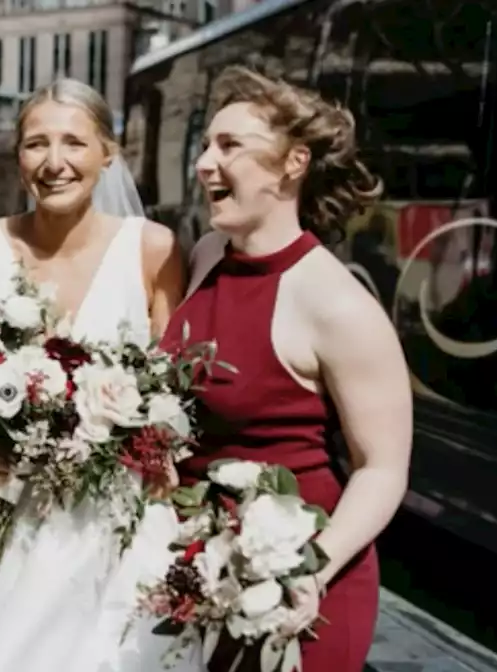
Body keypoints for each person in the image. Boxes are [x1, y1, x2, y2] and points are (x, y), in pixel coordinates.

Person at [0, 78, 191, 672]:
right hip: (1, 509)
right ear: (18, 156)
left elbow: (172, 389)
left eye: (74, 143)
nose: (54, 163)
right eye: (36, 144)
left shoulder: (153, 249)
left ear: (109, 152)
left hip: (111, 521)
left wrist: (152, 443)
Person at [159, 66, 412, 671]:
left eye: (229, 146)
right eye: (203, 145)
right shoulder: (207, 255)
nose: (203, 164)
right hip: (203, 570)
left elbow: (382, 469)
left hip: (301, 591)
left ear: (293, 163)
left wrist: (312, 568)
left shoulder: (337, 303)